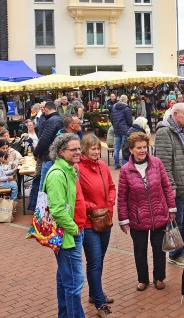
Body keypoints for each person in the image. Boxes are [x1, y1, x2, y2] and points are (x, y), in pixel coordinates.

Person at [118, 132, 176, 292]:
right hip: (137, 217)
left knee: (159, 249)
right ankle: (143, 279)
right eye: (139, 148)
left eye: (145, 147)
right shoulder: (125, 170)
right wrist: (123, 219)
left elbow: (166, 186)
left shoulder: (157, 163)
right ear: (131, 150)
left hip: (159, 213)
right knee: (140, 250)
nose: (143, 150)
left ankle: (159, 278)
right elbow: (122, 196)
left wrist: (171, 208)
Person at [45, 133, 88, 318]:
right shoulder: (57, 174)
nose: (78, 152)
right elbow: (57, 209)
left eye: (79, 148)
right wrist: (74, 229)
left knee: (65, 280)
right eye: (73, 149)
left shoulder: (69, 169)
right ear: (61, 152)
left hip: (72, 232)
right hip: (68, 235)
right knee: (74, 283)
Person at [75, 134, 116, 316]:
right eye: (93, 148)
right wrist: (92, 207)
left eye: (98, 148)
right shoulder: (78, 169)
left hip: (105, 219)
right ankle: (100, 303)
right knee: (94, 261)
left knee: (100, 259)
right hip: (89, 222)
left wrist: (110, 203)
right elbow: (77, 197)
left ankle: (94, 292)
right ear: (84, 149)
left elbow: (112, 187)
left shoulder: (102, 166)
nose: (96, 152)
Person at [154, 102, 184, 267]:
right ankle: (175, 254)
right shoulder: (164, 132)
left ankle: (181, 248)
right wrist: (170, 186)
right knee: (177, 220)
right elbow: (163, 164)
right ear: (175, 114)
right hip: (177, 184)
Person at [30, 102, 63, 212]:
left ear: (47, 109)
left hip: (48, 157)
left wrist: (36, 153)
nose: (42, 111)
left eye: (43, 109)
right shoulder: (57, 119)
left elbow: (43, 139)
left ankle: (41, 212)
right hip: (53, 156)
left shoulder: (51, 120)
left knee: (43, 186)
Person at [110, 95, 133, 170]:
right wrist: (130, 127)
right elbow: (129, 121)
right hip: (125, 130)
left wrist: (115, 126)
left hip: (117, 129)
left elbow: (111, 118)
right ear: (126, 100)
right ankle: (124, 165)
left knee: (116, 148)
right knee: (124, 148)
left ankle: (116, 164)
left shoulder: (114, 107)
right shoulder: (126, 108)